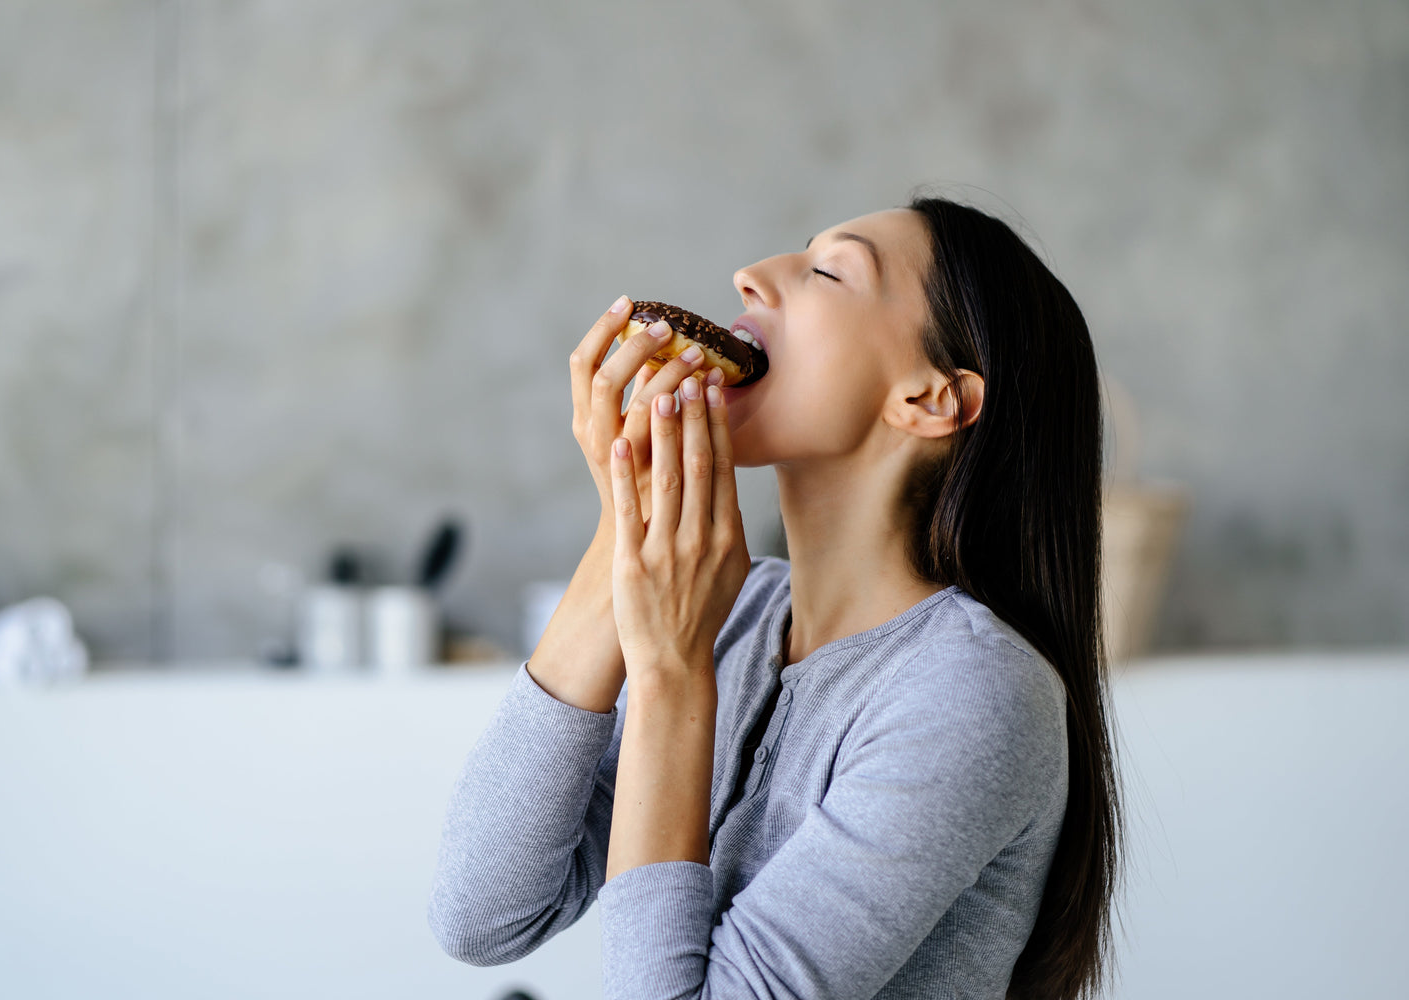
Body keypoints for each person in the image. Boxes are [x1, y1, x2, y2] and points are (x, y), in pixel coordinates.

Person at [429, 195, 1122, 1000]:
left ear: (931, 400)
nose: (750, 278)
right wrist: (628, 523)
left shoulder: (976, 692)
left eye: (830, 271)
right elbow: (482, 915)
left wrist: (672, 675)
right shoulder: (733, 611)